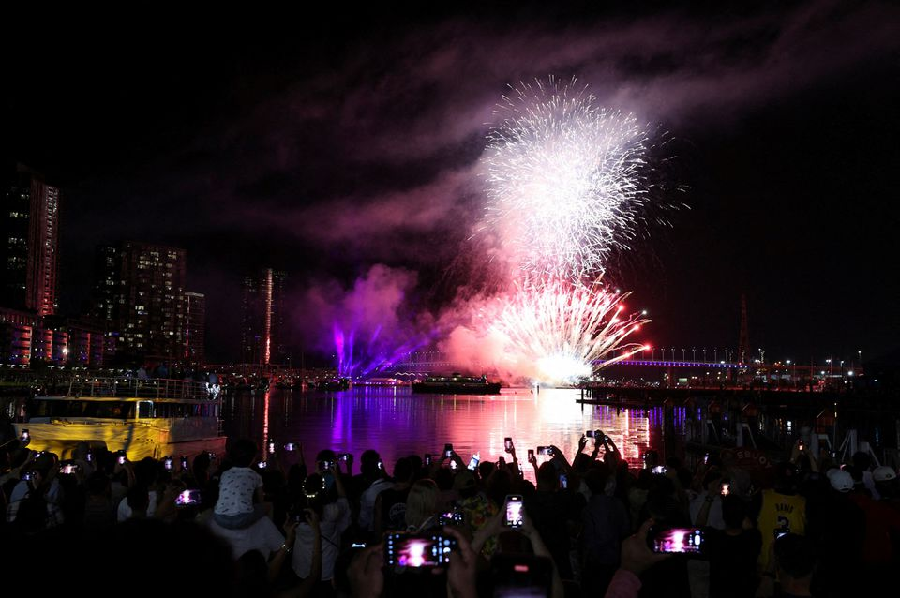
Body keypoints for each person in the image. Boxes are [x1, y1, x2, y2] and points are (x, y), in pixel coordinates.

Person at [214, 439, 267, 530]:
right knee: (267, 506)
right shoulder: (255, 476)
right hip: (243, 518)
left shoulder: (224, 474)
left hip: (220, 518)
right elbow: (260, 499)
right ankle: (267, 532)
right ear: (253, 458)